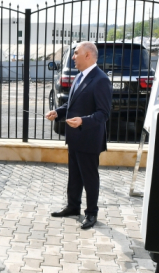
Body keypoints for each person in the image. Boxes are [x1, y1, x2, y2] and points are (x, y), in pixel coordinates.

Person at [46, 42, 112, 230]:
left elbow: (103, 113)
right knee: (74, 175)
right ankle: (73, 206)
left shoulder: (100, 80)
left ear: (88, 55)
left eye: (76, 53)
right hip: (75, 137)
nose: (73, 57)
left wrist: (83, 121)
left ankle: (91, 213)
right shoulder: (79, 76)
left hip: (89, 139)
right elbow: (72, 105)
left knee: (89, 178)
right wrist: (57, 112)